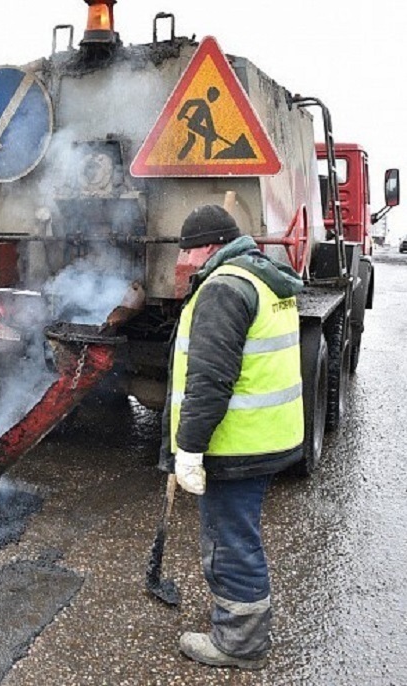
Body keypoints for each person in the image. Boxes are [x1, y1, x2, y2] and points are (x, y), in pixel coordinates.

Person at [159, 205, 304, 670]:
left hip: (237, 443)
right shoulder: (263, 277)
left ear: (209, 246)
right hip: (266, 435)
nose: (186, 261)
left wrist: (189, 448)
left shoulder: (223, 288)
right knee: (239, 536)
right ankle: (243, 626)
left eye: (189, 251)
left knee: (229, 542)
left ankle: (239, 644)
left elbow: (210, 381)